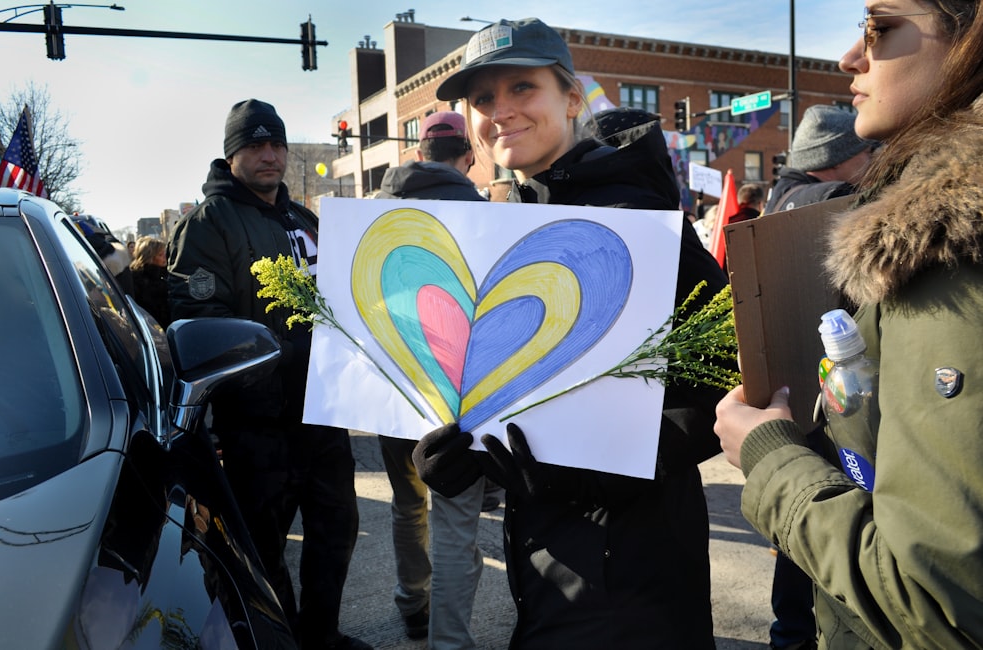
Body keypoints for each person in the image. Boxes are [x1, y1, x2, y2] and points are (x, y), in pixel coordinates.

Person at [412, 18, 730, 649]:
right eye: (481, 99)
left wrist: (591, 473)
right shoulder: (505, 226)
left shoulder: (635, 215)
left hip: (633, 576)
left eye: (522, 88)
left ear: (573, 98)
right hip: (547, 563)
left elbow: (727, 385)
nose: (500, 111)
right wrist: (458, 454)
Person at [714, 1, 983, 647]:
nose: (849, 58)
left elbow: (934, 607)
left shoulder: (948, 256)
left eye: (879, 28)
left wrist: (771, 457)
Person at [168, 99, 371, 650]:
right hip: (258, 426)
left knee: (335, 533)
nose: (269, 155)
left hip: (323, 416)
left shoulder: (304, 219)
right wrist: (284, 358)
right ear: (232, 154)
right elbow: (200, 323)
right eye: (254, 145)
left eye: (276, 144)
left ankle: (321, 634)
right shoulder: (207, 225)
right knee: (262, 548)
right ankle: (280, 640)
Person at [374, 110, 489, 649]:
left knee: (406, 502)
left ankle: (410, 603)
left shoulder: (375, 209)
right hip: (457, 393)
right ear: (467, 156)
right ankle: (447, 641)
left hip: (390, 385)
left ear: (419, 154)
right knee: (454, 521)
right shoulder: (481, 211)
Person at [762, 103, 874, 650]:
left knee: (798, 543)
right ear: (840, 162)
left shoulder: (782, 198)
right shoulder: (819, 203)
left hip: (810, 399)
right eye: (868, 154)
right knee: (820, 532)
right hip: (831, 405)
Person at [766, 104, 875, 213]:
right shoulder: (837, 196)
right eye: (868, 152)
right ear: (836, 158)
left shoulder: (780, 195)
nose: (872, 159)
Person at [129, 236, 170, 328]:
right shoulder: (137, 279)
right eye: (160, 254)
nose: (165, 257)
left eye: (164, 253)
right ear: (149, 257)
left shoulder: (165, 274)